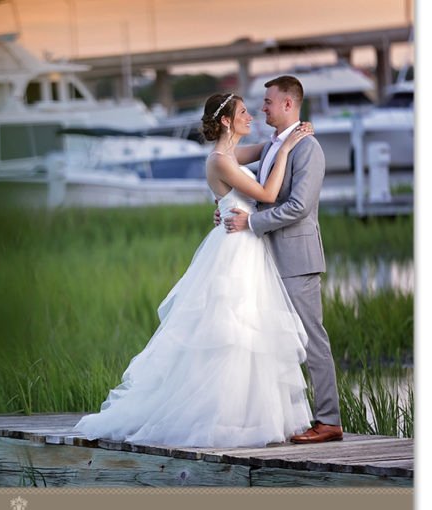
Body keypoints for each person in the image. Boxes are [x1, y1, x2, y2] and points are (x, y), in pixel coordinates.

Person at [73, 92, 314, 447]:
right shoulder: (220, 160)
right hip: (235, 250)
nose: (252, 116)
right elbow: (265, 193)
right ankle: (222, 419)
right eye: (244, 112)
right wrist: (290, 148)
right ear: (227, 121)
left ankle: (248, 417)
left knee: (251, 332)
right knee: (230, 333)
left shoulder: (230, 154)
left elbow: (266, 151)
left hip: (245, 245)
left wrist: (287, 138)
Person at [220, 76, 342, 444]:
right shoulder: (275, 145)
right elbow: (260, 190)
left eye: (269, 102)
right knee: (276, 341)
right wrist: (231, 209)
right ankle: (288, 418)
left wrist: (251, 222)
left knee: (311, 339)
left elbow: (299, 206)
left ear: (289, 104)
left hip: (297, 259)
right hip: (269, 258)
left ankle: (329, 421)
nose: (263, 108)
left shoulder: (308, 149)